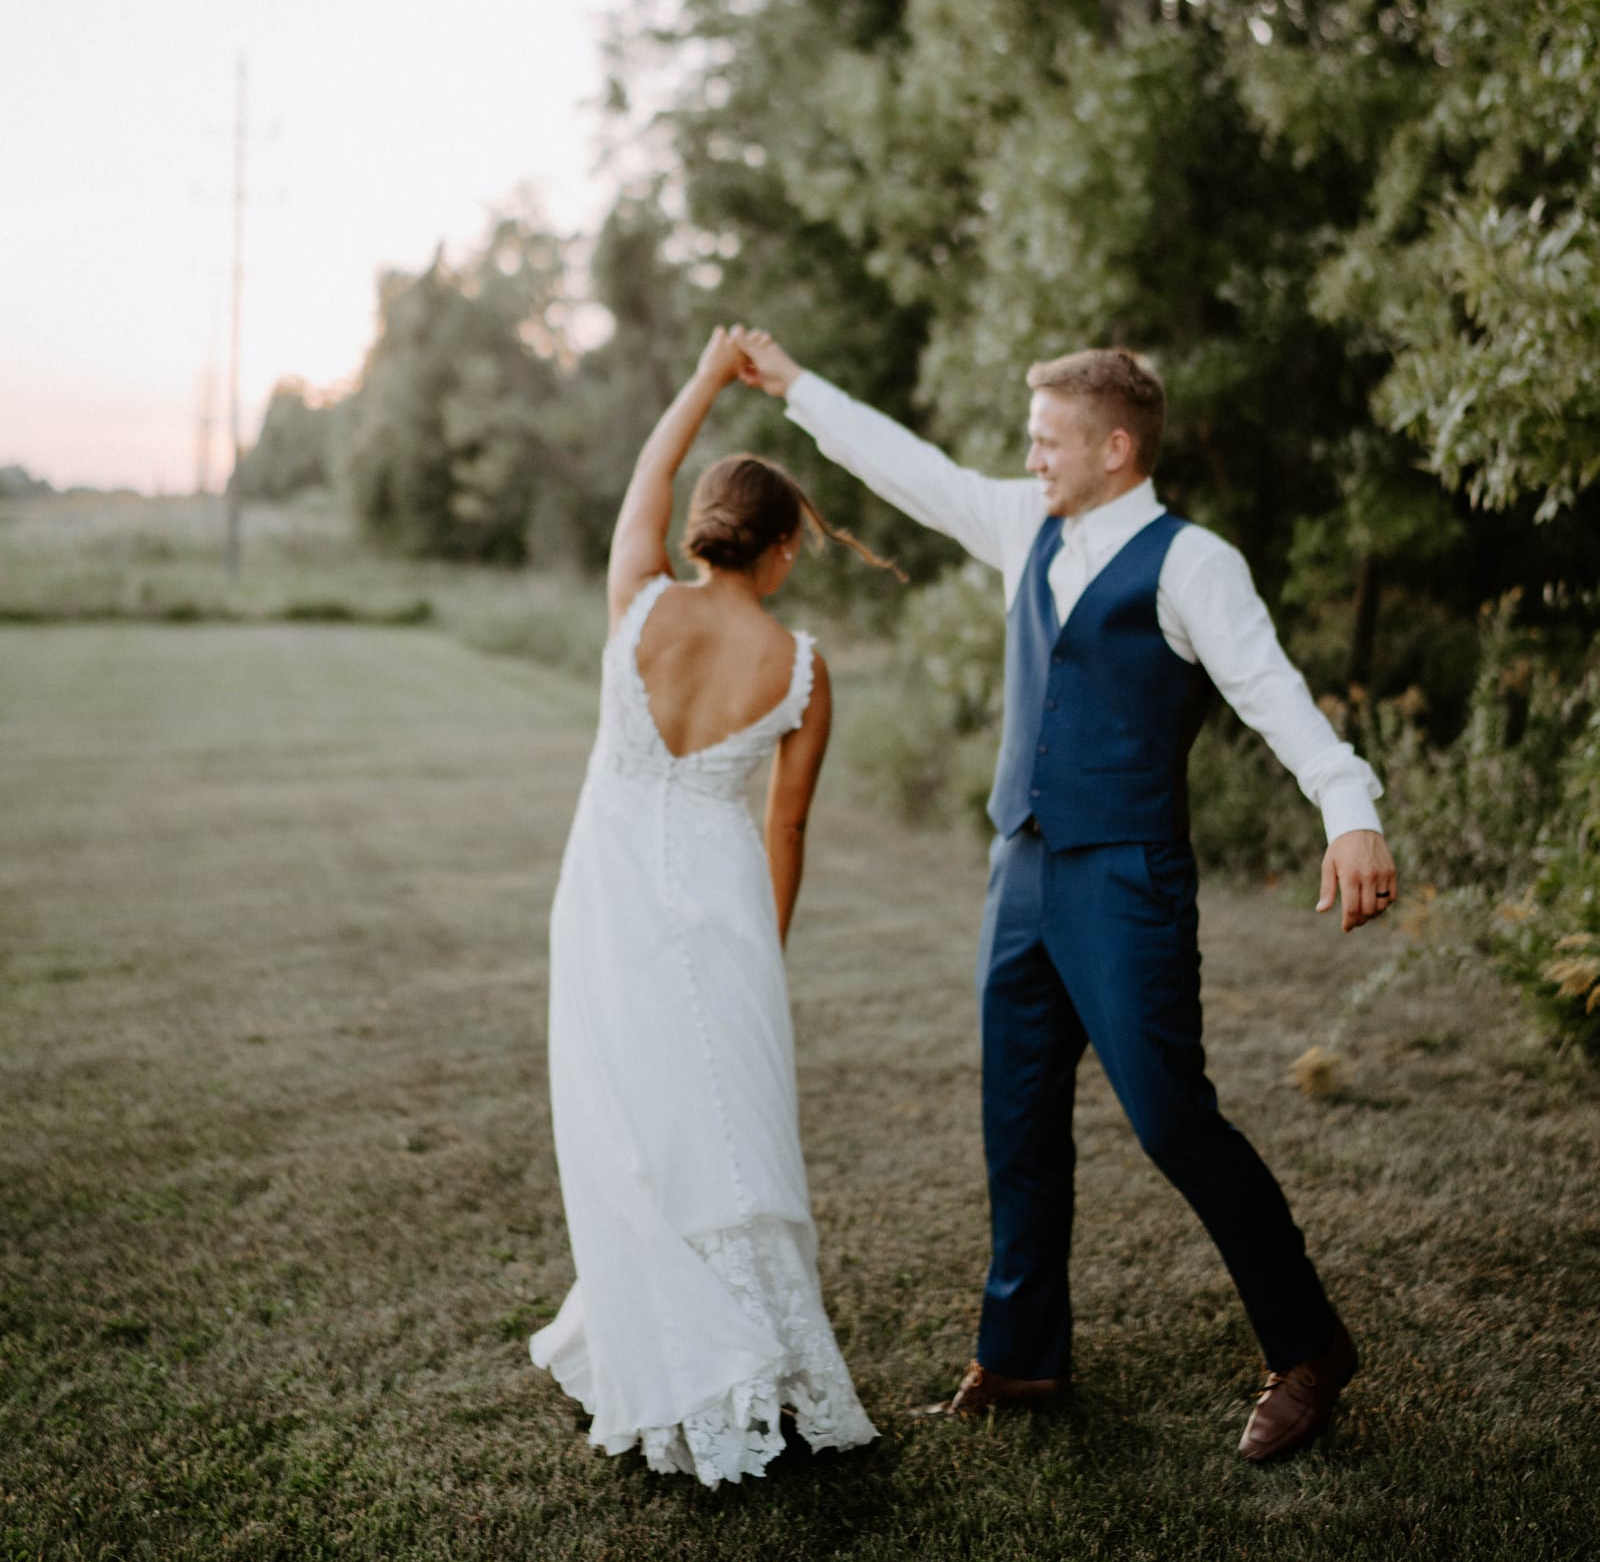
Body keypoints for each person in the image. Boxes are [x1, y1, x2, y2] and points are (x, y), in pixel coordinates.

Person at [735, 328, 1399, 1465]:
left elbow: (1272, 691)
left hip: (1126, 875)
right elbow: (910, 468)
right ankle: (1022, 1354)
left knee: (1172, 1118)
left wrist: (1349, 807)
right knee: (1018, 1114)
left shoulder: (1193, 564)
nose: (1031, 456)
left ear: (1116, 446)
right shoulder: (1022, 522)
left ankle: (1308, 1346)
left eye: (1049, 440)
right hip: (1021, 869)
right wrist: (794, 385)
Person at [529, 326, 881, 1485]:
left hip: (609, 898)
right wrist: (761, 949)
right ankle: (754, 1366)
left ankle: (692, 1361)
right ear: (778, 550)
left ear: (700, 527)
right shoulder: (801, 666)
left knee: (635, 1125)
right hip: (727, 906)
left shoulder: (638, 600)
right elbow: (787, 828)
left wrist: (702, 376)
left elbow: (650, 468)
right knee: (735, 1127)